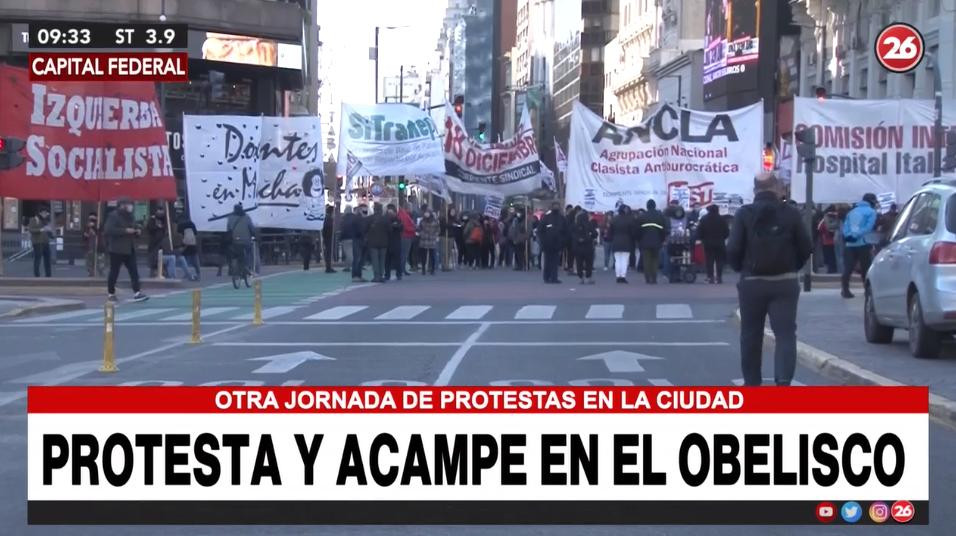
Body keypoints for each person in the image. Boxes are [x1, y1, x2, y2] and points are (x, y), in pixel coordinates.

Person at [727, 173, 812, 386]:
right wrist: (793, 266)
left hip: (752, 281)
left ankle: (752, 382)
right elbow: (806, 246)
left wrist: (742, 269)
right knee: (785, 334)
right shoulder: (791, 214)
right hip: (785, 281)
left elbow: (734, 248)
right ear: (777, 188)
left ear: (755, 190)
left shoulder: (743, 214)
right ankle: (783, 381)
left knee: (750, 334)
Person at [103, 199, 149, 303]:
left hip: (129, 248)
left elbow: (135, 226)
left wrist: (137, 231)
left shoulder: (131, 216)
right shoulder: (113, 216)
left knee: (134, 271)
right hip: (116, 249)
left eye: (131, 204)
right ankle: (111, 293)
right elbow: (108, 230)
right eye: (128, 205)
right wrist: (125, 231)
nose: (130, 207)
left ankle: (137, 292)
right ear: (122, 205)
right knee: (114, 272)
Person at [840, 193, 879, 299]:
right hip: (863, 243)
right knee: (865, 268)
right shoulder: (871, 212)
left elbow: (845, 227)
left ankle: (845, 290)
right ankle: (867, 291)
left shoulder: (851, 212)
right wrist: (857, 235)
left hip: (849, 243)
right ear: (871, 202)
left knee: (848, 268)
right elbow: (868, 227)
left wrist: (849, 236)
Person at [697, 204, 730, 284]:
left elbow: (699, 231)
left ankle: (710, 277)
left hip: (708, 243)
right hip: (720, 243)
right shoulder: (722, 219)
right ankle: (719, 277)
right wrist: (722, 238)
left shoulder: (704, 219)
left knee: (709, 260)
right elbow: (727, 232)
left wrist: (702, 239)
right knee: (719, 260)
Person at [636, 200, 667, 284]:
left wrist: (639, 240)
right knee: (655, 260)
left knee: (646, 260)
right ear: (655, 206)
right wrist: (662, 239)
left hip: (644, 242)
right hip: (657, 241)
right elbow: (664, 230)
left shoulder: (642, 216)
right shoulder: (660, 216)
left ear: (647, 206)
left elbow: (637, 230)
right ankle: (654, 278)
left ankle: (647, 278)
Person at [225, 203, 256, 278]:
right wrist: (254, 235)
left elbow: (228, 229)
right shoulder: (246, 217)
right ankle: (248, 267)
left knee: (236, 253)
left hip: (235, 240)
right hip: (246, 240)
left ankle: (235, 269)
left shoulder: (230, 218)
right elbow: (251, 228)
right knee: (249, 252)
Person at [540, 203, 568, 284]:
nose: (556, 208)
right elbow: (540, 230)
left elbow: (566, 231)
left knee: (555, 262)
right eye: (554, 206)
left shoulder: (562, 218)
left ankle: (554, 277)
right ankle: (546, 277)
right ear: (551, 207)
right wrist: (543, 240)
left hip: (557, 244)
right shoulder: (546, 218)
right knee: (547, 261)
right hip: (547, 244)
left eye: (557, 206)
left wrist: (563, 241)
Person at [607, 205, 636, 284]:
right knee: (624, 260)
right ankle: (623, 276)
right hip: (627, 242)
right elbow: (633, 233)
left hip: (616, 241)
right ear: (625, 210)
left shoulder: (614, 219)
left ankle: (618, 276)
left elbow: (610, 232)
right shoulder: (630, 220)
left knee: (617, 260)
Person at [572, 210, 598, 284]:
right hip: (588, 246)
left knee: (579, 263)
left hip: (578, 247)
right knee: (589, 263)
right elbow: (595, 234)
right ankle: (588, 277)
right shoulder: (589, 224)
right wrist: (589, 238)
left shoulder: (575, 225)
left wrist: (578, 240)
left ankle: (581, 277)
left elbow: (573, 235)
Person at [365, 203, 389, 283]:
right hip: (384, 242)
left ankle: (376, 276)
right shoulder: (385, 219)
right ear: (381, 210)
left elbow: (365, 230)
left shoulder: (369, 219)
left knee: (375, 260)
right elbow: (390, 230)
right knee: (382, 260)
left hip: (372, 242)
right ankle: (381, 275)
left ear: (374, 209)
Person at [28, 208, 53, 277]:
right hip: (37, 242)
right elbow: (31, 230)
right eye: (44, 213)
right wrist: (41, 229)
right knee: (38, 259)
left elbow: (48, 231)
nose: (46, 214)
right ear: (40, 213)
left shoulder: (46, 221)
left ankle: (48, 275)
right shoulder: (34, 219)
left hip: (46, 242)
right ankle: (37, 275)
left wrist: (50, 232)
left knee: (47, 259)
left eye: (46, 213)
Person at [816, 205, 839, 274]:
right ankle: (836, 269)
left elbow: (819, 228)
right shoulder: (838, 217)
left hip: (826, 241)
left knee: (828, 257)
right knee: (835, 256)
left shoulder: (825, 218)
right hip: (836, 241)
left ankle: (830, 270)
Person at [417, 208, 440, 275]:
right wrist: (421, 234)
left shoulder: (435, 221)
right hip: (424, 240)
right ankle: (423, 269)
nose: (426, 214)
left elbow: (438, 229)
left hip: (432, 240)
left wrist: (435, 235)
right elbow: (419, 228)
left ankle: (432, 269)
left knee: (432, 255)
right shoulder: (422, 221)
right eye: (425, 213)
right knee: (423, 255)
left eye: (428, 213)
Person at [384, 204, 404, 281]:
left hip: (395, 242)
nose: (390, 213)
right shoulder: (385, 219)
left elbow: (400, 227)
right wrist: (393, 226)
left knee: (397, 259)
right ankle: (387, 274)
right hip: (388, 242)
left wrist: (394, 226)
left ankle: (398, 274)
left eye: (392, 212)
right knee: (387, 260)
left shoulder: (398, 220)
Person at [146, 207, 167, 277]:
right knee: (153, 260)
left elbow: (165, 228)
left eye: (162, 212)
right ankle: (152, 275)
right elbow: (149, 228)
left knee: (160, 259)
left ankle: (162, 273)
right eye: (159, 211)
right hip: (154, 243)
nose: (160, 213)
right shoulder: (152, 219)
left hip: (161, 242)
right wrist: (157, 227)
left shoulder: (164, 219)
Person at [178, 215, 200, 280]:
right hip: (192, 244)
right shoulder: (192, 224)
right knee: (195, 260)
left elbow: (179, 234)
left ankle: (187, 273)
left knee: (184, 260)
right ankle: (198, 274)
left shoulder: (180, 225)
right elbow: (195, 233)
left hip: (184, 244)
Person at [83, 212, 104, 277]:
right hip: (89, 247)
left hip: (98, 247)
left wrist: (94, 227)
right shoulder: (87, 226)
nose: (92, 220)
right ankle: (91, 273)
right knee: (89, 262)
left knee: (99, 263)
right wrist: (85, 235)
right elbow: (84, 236)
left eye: (93, 218)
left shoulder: (99, 225)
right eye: (90, 218)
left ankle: (101, 275)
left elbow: (100, 234)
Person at [398, 203, 416, 276]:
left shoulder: (404, 214)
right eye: (411, 207)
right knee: (404, 254)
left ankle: (402, 268)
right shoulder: (404, 215)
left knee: (404, 254)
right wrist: (414, 229)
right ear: (408, 208)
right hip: (406, 236)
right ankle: (402, 269)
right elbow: (405, 226)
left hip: (406, 236)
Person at [339, 206, 355, 271]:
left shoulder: (343, 218)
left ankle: (350, 265)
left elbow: (342, 229)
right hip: (354, 237)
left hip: (345, 238)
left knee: (348, 253)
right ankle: (347, 266)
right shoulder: (355, 217)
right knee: (351, 252)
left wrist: (340, 238)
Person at [322, 205, 336, 273]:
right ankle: (328, 267)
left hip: (328, 238)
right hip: (328, 238)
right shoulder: (328, 219)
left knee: (329, 253)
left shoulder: (328, 218)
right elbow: (327, 229)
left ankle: (329, 266)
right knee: (329, 253)